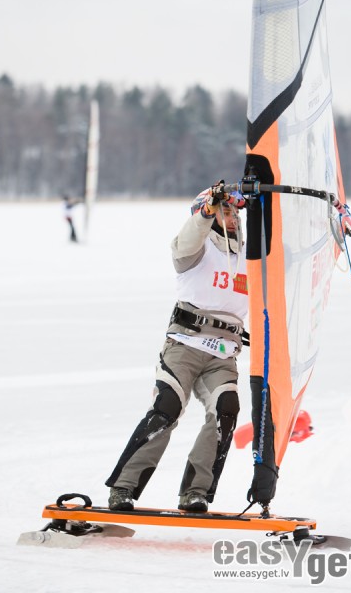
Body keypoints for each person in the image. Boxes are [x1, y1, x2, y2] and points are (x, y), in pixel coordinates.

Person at [105, 181, 248, 512]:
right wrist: (207, 210)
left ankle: (195, 492)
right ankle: (123, 487)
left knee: (226, 412)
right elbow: (188, 239)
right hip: (184, 346)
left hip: (222, 353)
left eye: (234, 212)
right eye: (224, 212)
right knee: (166, 409)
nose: (232, 218)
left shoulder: (247, 255)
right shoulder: (196, 247)